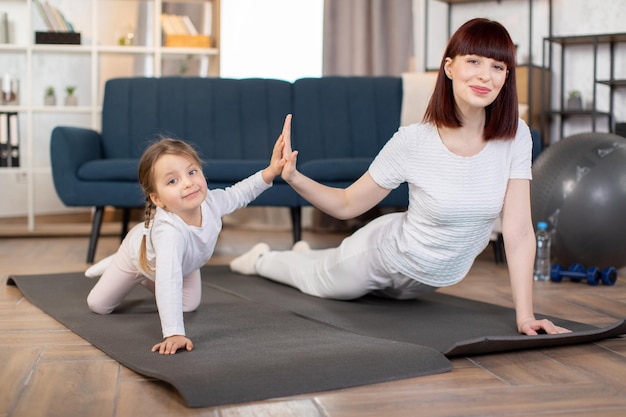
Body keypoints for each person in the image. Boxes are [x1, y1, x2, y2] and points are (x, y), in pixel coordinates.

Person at [230, 18, 571, 336]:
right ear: (449, 67)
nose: (486, 75)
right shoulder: (413, 141)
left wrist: (525, 317)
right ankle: (263, 258)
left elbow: (519, 230)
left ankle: (309, 253)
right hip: (380, 257)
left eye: (498, 66)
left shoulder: (515, 137)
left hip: (420, 285)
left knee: (349, 277)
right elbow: (348, 203)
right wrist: (293, 177)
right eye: (474, 61)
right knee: (314, 281)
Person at [85, 136, 287, 354]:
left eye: (192, 172)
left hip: (185, 264)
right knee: (98, 305)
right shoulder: (169, 233)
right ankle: (126, 266)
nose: (188, 183)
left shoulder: (211, 201)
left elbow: (240, 193)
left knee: (188, 305)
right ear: (158, 199)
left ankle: (146, 274)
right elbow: (169, 280)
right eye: (173, 181)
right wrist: (173, 333)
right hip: (137, 256)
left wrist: (271, 171)